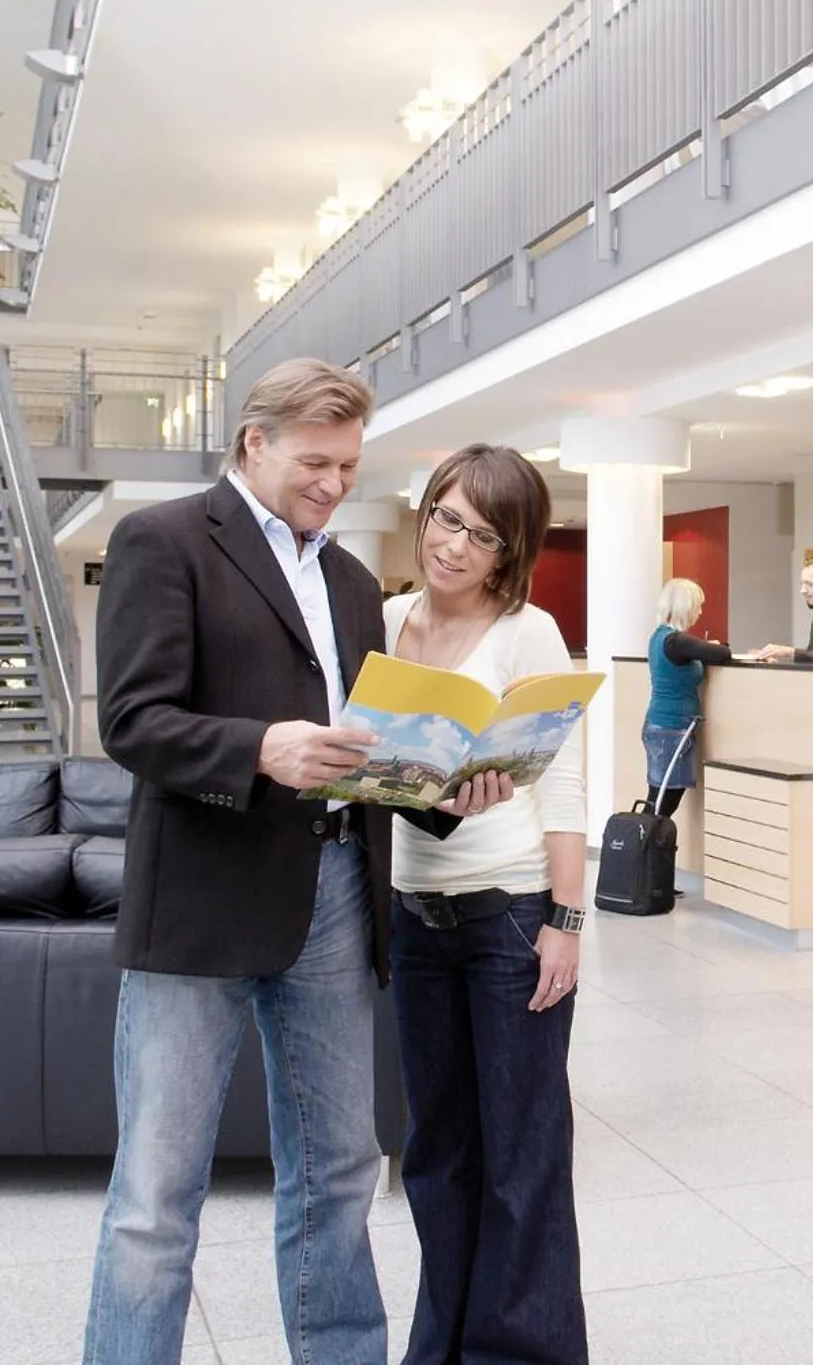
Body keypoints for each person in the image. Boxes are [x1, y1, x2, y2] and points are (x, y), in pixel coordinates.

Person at [83, 359, 508, 1365]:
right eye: (316, 462)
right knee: (156, 1194)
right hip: (201, 904)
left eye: (348, 466)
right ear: (255, 443)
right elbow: (131, 720)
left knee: (339, 1175)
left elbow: (361, 746)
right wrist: (256, 749)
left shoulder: (352, 581)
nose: (334, 483)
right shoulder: (163, 540)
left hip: (336, 895)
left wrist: (438, 789)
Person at [385, 443, 590, 1365]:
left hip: (508, 914)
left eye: (483, 535)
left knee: (522, 1155)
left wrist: (566, 924)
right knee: (436, 1156)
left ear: (511, 552)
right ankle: (442, 1348)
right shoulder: (384, 620)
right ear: (426, 509)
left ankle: (522, 1353)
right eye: (446, 518)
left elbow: (566, 783)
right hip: (413, 916)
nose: (454, 545)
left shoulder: (527, 631)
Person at [642, 577, 732, 818]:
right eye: (698, 606)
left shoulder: (661, 637)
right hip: (671, 730)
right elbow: (723, 653)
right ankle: (646, 841)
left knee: (659, 800)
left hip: (662, 725)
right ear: (686, 607)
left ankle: (645, 840)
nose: (700, 612)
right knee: (663, 803)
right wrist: (709, 645)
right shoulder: (676, 641)